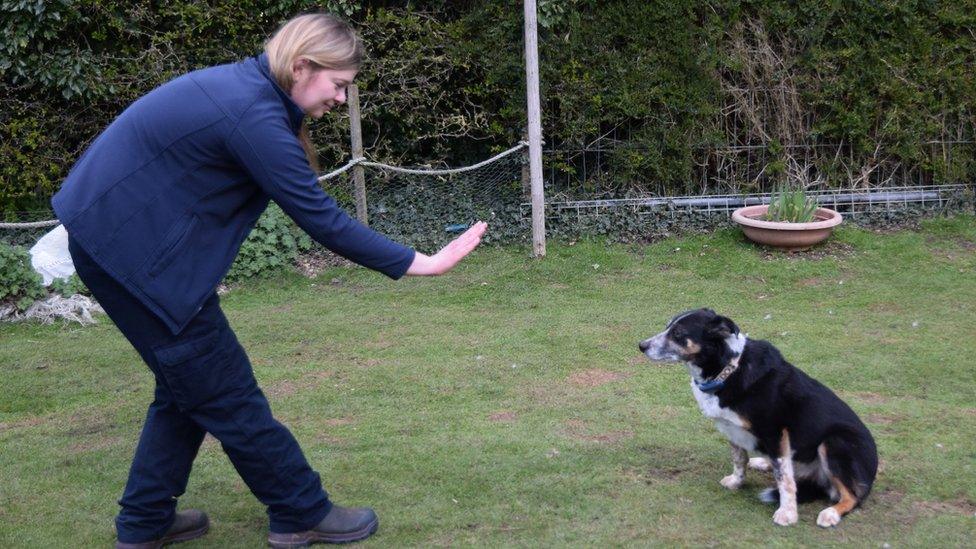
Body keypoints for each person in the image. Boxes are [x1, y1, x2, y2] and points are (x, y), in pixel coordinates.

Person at [52, 12, 487, 549]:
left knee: (188, 389)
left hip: (121, 250)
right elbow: (320, 217)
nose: (341, 100)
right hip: (135, 262)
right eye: (339, 85)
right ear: (303, 65)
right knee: (228, 393)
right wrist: (423, 261)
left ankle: (144, 523)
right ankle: (300, 509)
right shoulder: (252, 113)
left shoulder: (247, 90)